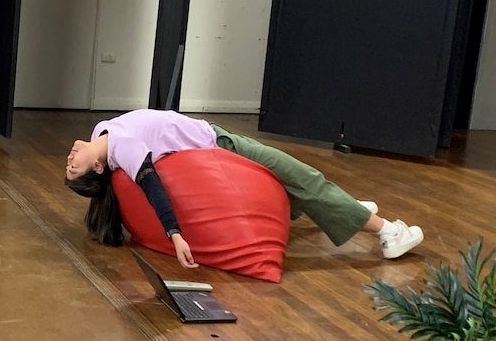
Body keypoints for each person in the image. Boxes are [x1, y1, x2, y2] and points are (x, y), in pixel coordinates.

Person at [64, 109, 424, 269]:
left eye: (68, 164)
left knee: (299, 182)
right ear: (98, 167)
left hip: (214, 136)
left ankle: (343, 209)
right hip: (223, 146)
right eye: (74, 168)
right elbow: (154, 189)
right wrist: (175, 235)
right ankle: (388, 233)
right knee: (305, 179)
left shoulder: (101, 135)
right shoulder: (122, 153)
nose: (69, 159)